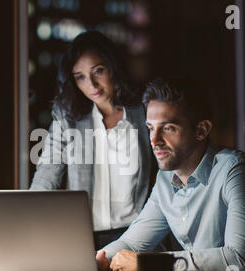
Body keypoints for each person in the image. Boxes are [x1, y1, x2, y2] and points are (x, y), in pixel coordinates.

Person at [96, 77, 245, 271]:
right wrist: (95, 260)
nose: (155, 140)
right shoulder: (166, 179)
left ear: (201, 130)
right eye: (150, 128)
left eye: (168, 128)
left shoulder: (237, 171)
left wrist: (149, 265)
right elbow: (132, 244)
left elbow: (239, 259)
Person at [30, 30, 156, 249]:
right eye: (80, 77)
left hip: (136, 237)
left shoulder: (143, 111)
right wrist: (28, 218)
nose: (92, 85)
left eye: (98, 71)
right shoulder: (67, 118)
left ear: (113, 67)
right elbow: (46, 173)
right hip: (83, 239)